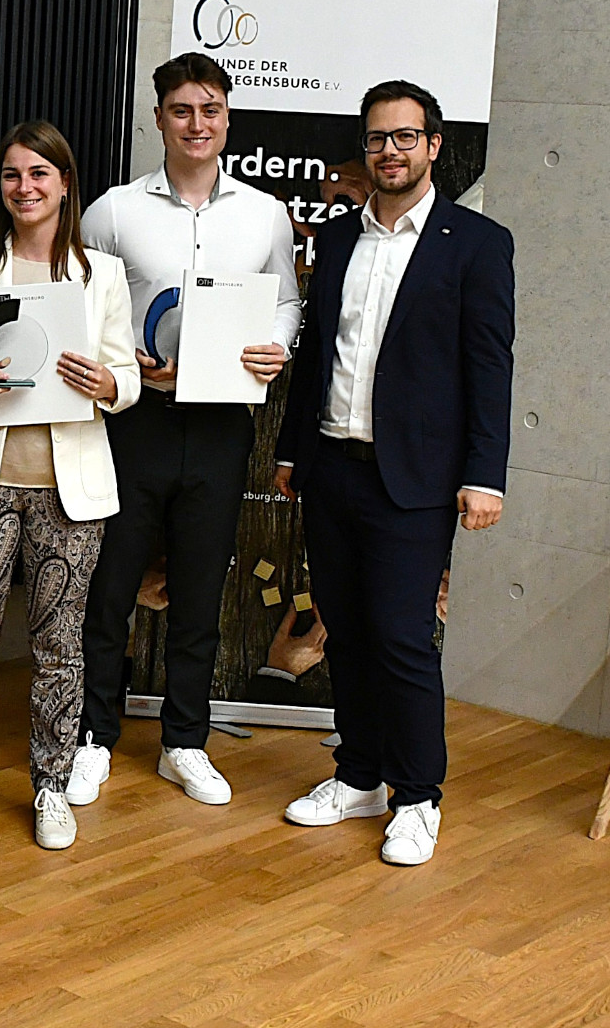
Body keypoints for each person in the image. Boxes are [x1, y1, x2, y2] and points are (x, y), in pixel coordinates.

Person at [275, 80, 513, 866]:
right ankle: (359, 776)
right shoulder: (340, 238)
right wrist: (288, 450)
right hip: (332, 467)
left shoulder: (476, 244)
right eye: (377, 138)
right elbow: (316, 357)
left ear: (434, 146)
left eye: (405, 137)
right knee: (346, 630)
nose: (390, 151)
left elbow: (489, 369)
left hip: (414, 481)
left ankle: (418, 798)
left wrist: (486, 474)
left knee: (404, 639)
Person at [69, 53, 302, 809]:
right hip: (134, 422)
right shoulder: (111, 210)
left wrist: (279, 345)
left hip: (221, 426)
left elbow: (287, 304)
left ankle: (185, 743)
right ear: (160, 118)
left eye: (210, 109)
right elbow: (85, 305)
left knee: (201, 590)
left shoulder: (263, 213)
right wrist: (120, 360)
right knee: (111, 588)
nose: (196, 124)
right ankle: (94, 738)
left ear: (227, 116)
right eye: (181, 110)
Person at [0, 120, 139, 852]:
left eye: (39, 174)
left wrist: (111, 382)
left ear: (64, 184)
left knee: (60, 646)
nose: (25, 187)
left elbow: (130, 377)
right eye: (13, 174)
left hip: (69, 489)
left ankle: (51, 786)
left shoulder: (100, 273)